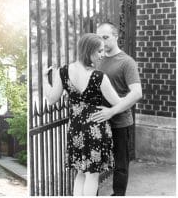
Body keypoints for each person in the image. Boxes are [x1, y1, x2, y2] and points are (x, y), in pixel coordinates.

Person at [43, 33, 123, 196]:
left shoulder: (63, 72)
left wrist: (45, 78)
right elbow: (118, 103)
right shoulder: (99, 77)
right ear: (89, 51)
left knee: (81, 173)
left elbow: (51, 99)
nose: (102, 55)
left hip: (76, 130)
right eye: (99, 51)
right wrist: (110, 111)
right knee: (92, 175)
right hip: (96, 129)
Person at [93, 22, 142, 196]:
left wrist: (112, 111)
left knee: (120, 165)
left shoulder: (127, 62)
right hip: (98, 121)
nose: (101, 41)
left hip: (120, 122)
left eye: (105, 37)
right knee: (94, 164)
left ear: (116, 36)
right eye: (98, 37)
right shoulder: (96, 59)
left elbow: (137, 93)